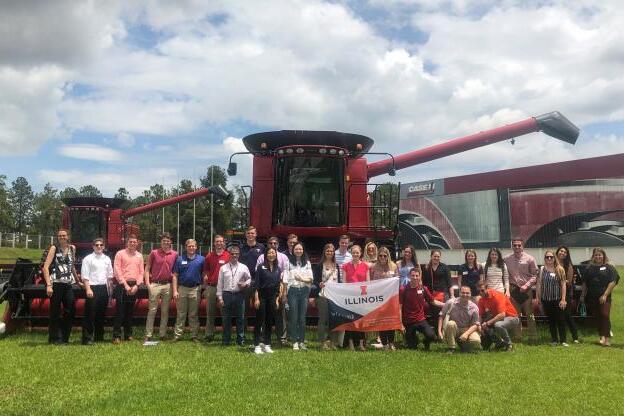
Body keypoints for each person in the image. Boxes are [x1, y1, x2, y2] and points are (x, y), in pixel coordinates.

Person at [43, 228, 78, 344]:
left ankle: (64, 337)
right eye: (60, 236)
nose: (62, 237)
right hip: (56, 284)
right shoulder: (54, 248)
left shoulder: (72, 249)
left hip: (68, 284)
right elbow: (45, 267)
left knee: (70, 310)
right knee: (55, 311)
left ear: (68, 236)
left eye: (64, 235)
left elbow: (72, 267)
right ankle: (54, 338)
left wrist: (78, 281)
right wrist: (49, 285)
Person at [580, 248, 620, 347]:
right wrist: (582, 295)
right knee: (597, 316)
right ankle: (601, 336)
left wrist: (605, 295)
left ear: (603, 256)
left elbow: (613, 281)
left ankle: (607, 339)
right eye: (596, 255)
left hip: (604, 297)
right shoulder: (589, 268)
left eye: (600, 255)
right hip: (592, 297)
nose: (598, 257)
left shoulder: (609, 267)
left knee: (605, 315)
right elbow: (585, 283)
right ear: (593, 256)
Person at [144, 232, 177, 342]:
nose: (166, 243)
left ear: (170, 242)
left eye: (167, 241)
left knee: (165, 311)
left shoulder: (175, 254)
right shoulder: (154, 253)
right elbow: (147, 268)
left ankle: (162, 334)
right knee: (152, 310)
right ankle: (148, 334)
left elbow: (176, 272)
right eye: (164, 241)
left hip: (167, 285)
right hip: (155, 284)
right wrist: (148, 284)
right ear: (161, 242)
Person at [257, 236, 290, 346]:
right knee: (263, 315)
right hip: (264, 290)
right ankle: (262, 339)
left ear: (278, 245)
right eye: (270, 243)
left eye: (275, 243)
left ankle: (280, 338)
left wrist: (282, 290)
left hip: (279, 288)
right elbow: (258, 275)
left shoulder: (284, 257)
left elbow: (286, 273)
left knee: (278, 315)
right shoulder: (261, 258)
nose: (273, 245)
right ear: (267, 244)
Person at [504, 239, 538, 343]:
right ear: (512, 246)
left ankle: (533, 337)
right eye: (515, 245)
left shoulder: (530, 259)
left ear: (522, 246)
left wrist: (526, 285)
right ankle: (518, 337)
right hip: (513, 289)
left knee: (530, 314)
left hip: (526, 290)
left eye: (519, 245)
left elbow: (535, 276)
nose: (517, 247)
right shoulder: (506, 259)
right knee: (516, 315)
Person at [400, 268, 443, 350]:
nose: (415, 278)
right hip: (408, 321)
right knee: (412, 347)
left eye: (417, 276)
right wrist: (400, 324)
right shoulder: (403, 289)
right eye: (413, 275)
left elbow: (433, 301)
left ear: (420, 277)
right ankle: (413, 339)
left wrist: (445, 304)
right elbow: (400, 307)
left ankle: (425, 342)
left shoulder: (423, 289)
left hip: (420, 319)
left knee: (432, 336)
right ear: (409, 276)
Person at [112, 234, 144, 344]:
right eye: (131, 242)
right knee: (120, 312)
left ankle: (128, 335)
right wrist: (125, 285)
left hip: (134, 285)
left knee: (130, 312)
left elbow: (141, 272)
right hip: (122, 286)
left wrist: (137, 285)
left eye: (134, 242)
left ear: (137, 243)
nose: (133, 244)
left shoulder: (139, 256)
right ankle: (116, 336)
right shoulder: (120, 254)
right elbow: (117, 270)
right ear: (127, 242)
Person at [217, 244, 251, 346]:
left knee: (240, 318)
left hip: (239, 295)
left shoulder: (244, 267)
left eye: (236, 254)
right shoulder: (223, 268)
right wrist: (220, 298)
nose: (234, 256)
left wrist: (245, 283)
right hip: (226, 295)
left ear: (239, 255)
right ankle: (226, 340)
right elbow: (220, 284)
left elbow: (249, 278)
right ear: (229, 255)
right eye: (232, 254)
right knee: (226, 319)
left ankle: (241, 340)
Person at [80, 237, 113, 345]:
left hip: (104, 288)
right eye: (97, 245)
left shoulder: (107, 259)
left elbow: (109, 277)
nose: (99, 247)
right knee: (90, 314)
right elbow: (85, 276)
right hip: (92, 288)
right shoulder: (88, 259)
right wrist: (88, 289)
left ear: (104, 247)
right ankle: (87, 338)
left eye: (101, 245)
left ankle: (99, 336)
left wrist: (110, 294)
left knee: (101, 314)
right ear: (93, 246)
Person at [172, 239, 204, 342]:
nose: (191, 248)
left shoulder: (201, 259)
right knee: (181, 313)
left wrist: (203, 287)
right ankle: (177, 335)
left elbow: (204, 275)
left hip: (195, 289)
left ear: (196, 247)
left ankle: (194, 335)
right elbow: (175, 276)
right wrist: (175, 291)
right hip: (182, 289)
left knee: (193, 314)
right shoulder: (180, 259)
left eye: (193, 246)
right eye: (189, 246)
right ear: (186, 247)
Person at [534, 251, 568, 346]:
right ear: (545, 258)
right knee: (551, 321)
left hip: (557, 299)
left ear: (554, 258)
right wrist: (537, 297)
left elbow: (563, 285)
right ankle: (554, 340)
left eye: (551, 257)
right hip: (546, 299)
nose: (549, 259)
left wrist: (563, 299)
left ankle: (563, 340)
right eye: (547, 257)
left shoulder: (560, 269)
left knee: (561, 320)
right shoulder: (541, 269)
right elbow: (539, 284)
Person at [283, 242, 313, 350]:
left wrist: (301, 279)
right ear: (293, 250)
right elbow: (285, 280)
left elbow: (310, 278)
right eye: (296, 249)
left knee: (302, 318)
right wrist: (285, 294)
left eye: (300, 249)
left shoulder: (307, 263)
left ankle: (301, 342)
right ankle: (294, 341)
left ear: (303, 250)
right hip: (293, 292)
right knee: (293, 317)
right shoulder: (288, 263)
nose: (298, 251)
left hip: (304, 291)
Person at [253, 247, 283, 354]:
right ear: (266, 255)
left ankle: (267, 344)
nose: (271, 254)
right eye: (269, 253)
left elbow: (278, 285)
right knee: (259, 320)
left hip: (272, 298)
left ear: (276, 255)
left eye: (273, 253)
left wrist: (276, 300)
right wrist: (256, 298)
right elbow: (256, 284)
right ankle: (256, 345)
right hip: (261, 297)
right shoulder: (261, 267)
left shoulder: (278, 269)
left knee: (269, 322)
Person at [313, 243, 343, 350]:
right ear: (324, 252)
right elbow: (315, 281)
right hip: (323, 295)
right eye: (327, 251)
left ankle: (333, 342)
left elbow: (339, 281)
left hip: (334, 296)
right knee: (323, 319)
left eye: (331, 251)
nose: (329, 253)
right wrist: (319, 284)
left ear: (334, 252)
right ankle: (322, 342)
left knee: (333, 319)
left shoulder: (337, 266)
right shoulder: (319, 265)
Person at [341, 244, 370, 351]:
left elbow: (368, 282)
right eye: (353, 253)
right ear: (351, 254)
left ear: (360, 253)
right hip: (350, 298)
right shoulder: (345, 266)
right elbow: (344, 283)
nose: (355, 254)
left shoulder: (365, 266)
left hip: (361, 298)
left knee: (361, 321)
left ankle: (361, 344)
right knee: (350, 321)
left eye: (357, 253)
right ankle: (351, 343)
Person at [202, 234, 230, 342]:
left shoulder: (228, 255)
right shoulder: (209, 256)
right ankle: (209, 334)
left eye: (221, 241)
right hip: (212, 287)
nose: (219, 243)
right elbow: (205, 270)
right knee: (210, 312)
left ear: (224, 243)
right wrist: (205, 276)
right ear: (214, 243)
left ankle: (225, 334)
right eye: (217, 241)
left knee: (225, 312)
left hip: (224, 288)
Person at [437, 285, 481, 353]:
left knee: (476, 341)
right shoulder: (451, 302)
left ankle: (463, 345)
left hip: (466, 328)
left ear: (470, 294)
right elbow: (441, 315)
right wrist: (439, 331)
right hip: (454, 328)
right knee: (451, 323)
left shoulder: (474, 307)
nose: (465, 295)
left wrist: (466, 334)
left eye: (467, 293)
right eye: (463, 292)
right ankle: (451, 348)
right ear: (459, 293)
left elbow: (476, 324)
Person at [478, 281, 519, 351]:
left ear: (487, 288)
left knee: (498, 325)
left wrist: (488, 323)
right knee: (483, 326)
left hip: (512, 317)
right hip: (497, 317)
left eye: (482, 290)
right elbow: (480, 316)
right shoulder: (481, 300)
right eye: (478, 291)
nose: (480, 293)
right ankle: (499, 343)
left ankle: (509, 344)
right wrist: (480, 326)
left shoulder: (498, 296)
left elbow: (502, 315)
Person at [371, 246, 398, 350]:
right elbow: (371, 282)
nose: (382, 257)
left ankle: (391, 342)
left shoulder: (394, 266)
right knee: (381, 321)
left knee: (390, 320)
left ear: (388, 256)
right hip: (378, 298)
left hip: (390, 298)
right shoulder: (373, 267)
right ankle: (385, 343)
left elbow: (397, 280)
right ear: (378, 256)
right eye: (380, 255)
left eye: (384, 255)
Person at [556, 246, 579, 343]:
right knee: (559, 316)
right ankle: (561, 338)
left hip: (566, 293)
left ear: (567, 254)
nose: (562, 253)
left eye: (565, 252)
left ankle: (575, 337)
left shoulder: (568, 265)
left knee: (567, 315)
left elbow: (568, 282)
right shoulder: (552, 263)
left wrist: (560, 281)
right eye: (561, 251)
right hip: (554, 293)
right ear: (557, 252)